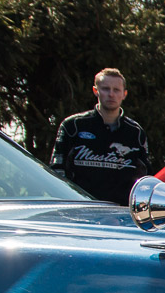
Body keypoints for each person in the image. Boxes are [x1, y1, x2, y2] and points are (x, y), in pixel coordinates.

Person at [50, 68, 151, 205]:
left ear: (124, 94)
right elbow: (56, 171)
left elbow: (145, 178)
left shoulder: (135, 132)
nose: (111, 94)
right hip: (80, 208)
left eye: (116, 90)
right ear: (95, 91)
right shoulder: (73, 126)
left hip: (121, 211)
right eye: (105, 89)